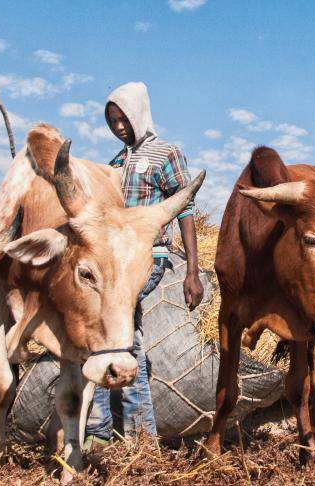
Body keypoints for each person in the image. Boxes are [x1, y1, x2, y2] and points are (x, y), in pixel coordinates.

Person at [84, 81, 204, 448]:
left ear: (138, 114)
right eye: (112, 121)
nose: (119, 127)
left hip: (149, 257)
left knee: (119, 337)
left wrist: (193, 271)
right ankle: (117, 432)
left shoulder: (166, 154)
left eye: (123, 119)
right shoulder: (115, 164)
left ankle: (120, 435)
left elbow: (184, 207)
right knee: (115, 336)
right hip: (115, 261)